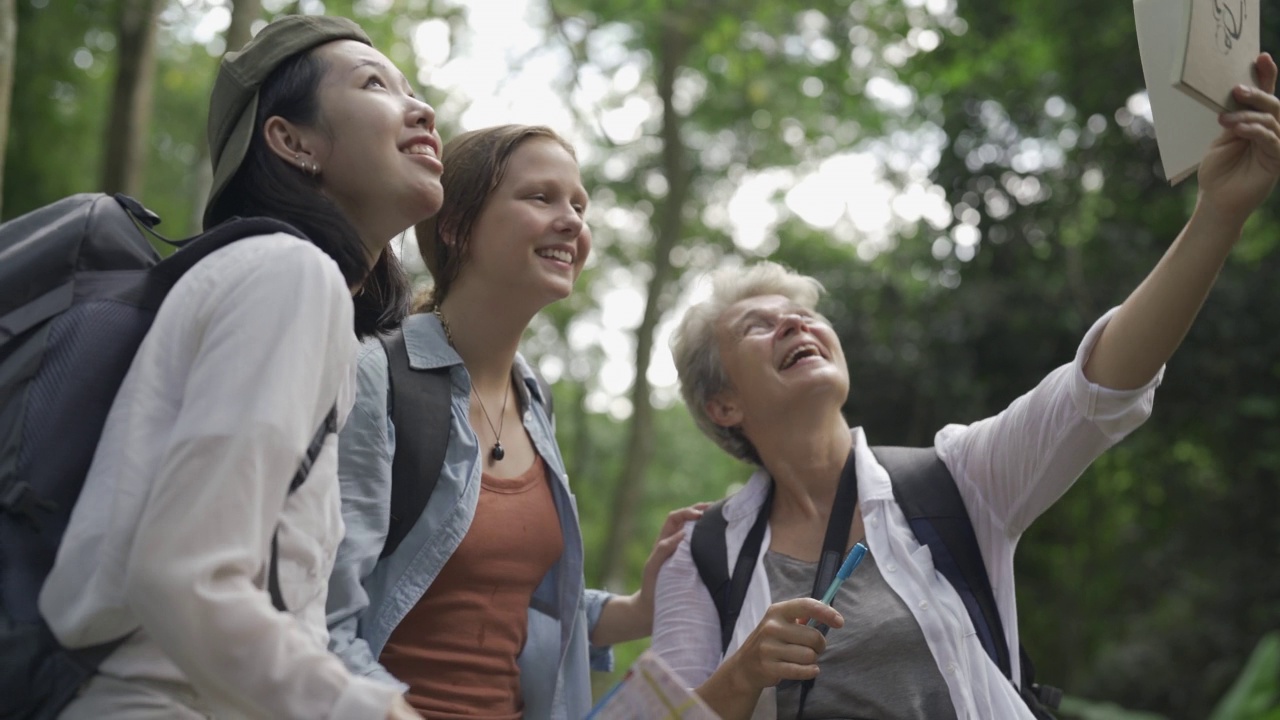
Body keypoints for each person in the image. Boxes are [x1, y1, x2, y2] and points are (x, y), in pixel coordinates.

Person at [651, 53, 1280, 720]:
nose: (793, 323)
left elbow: (1100, 385)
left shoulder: (954, 481)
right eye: (758, 324)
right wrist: (741, 676)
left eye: (802, 312)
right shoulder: (704, 555)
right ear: (724, 404)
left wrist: (1217, 214)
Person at [38, 15, 438, 720]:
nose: (421, 109)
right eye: (374, 84)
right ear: (292, 141)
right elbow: (186, 577)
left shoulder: (288, 289)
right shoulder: (289, 275)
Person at [326, 124, 702, 719]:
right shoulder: (375, 379)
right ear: (455, 226)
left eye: (579, 204)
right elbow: (323, 622)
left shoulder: (534, 399)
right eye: (541, 197)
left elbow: (521, 605)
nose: (573, 220)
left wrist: (639, 608)